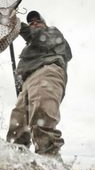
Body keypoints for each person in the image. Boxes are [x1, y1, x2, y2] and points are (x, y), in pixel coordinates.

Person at [6, 10, 72, 159]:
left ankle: (52, 168)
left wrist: (16, 24)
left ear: (44, 24)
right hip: (28, 82)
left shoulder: (52, 32)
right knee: (17, 128)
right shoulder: (30, 48)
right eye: (31, 22)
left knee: (41, 120)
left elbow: (39, 37)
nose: (34, 23)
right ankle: (17, 166)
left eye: (37, 21)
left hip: (47, 72)